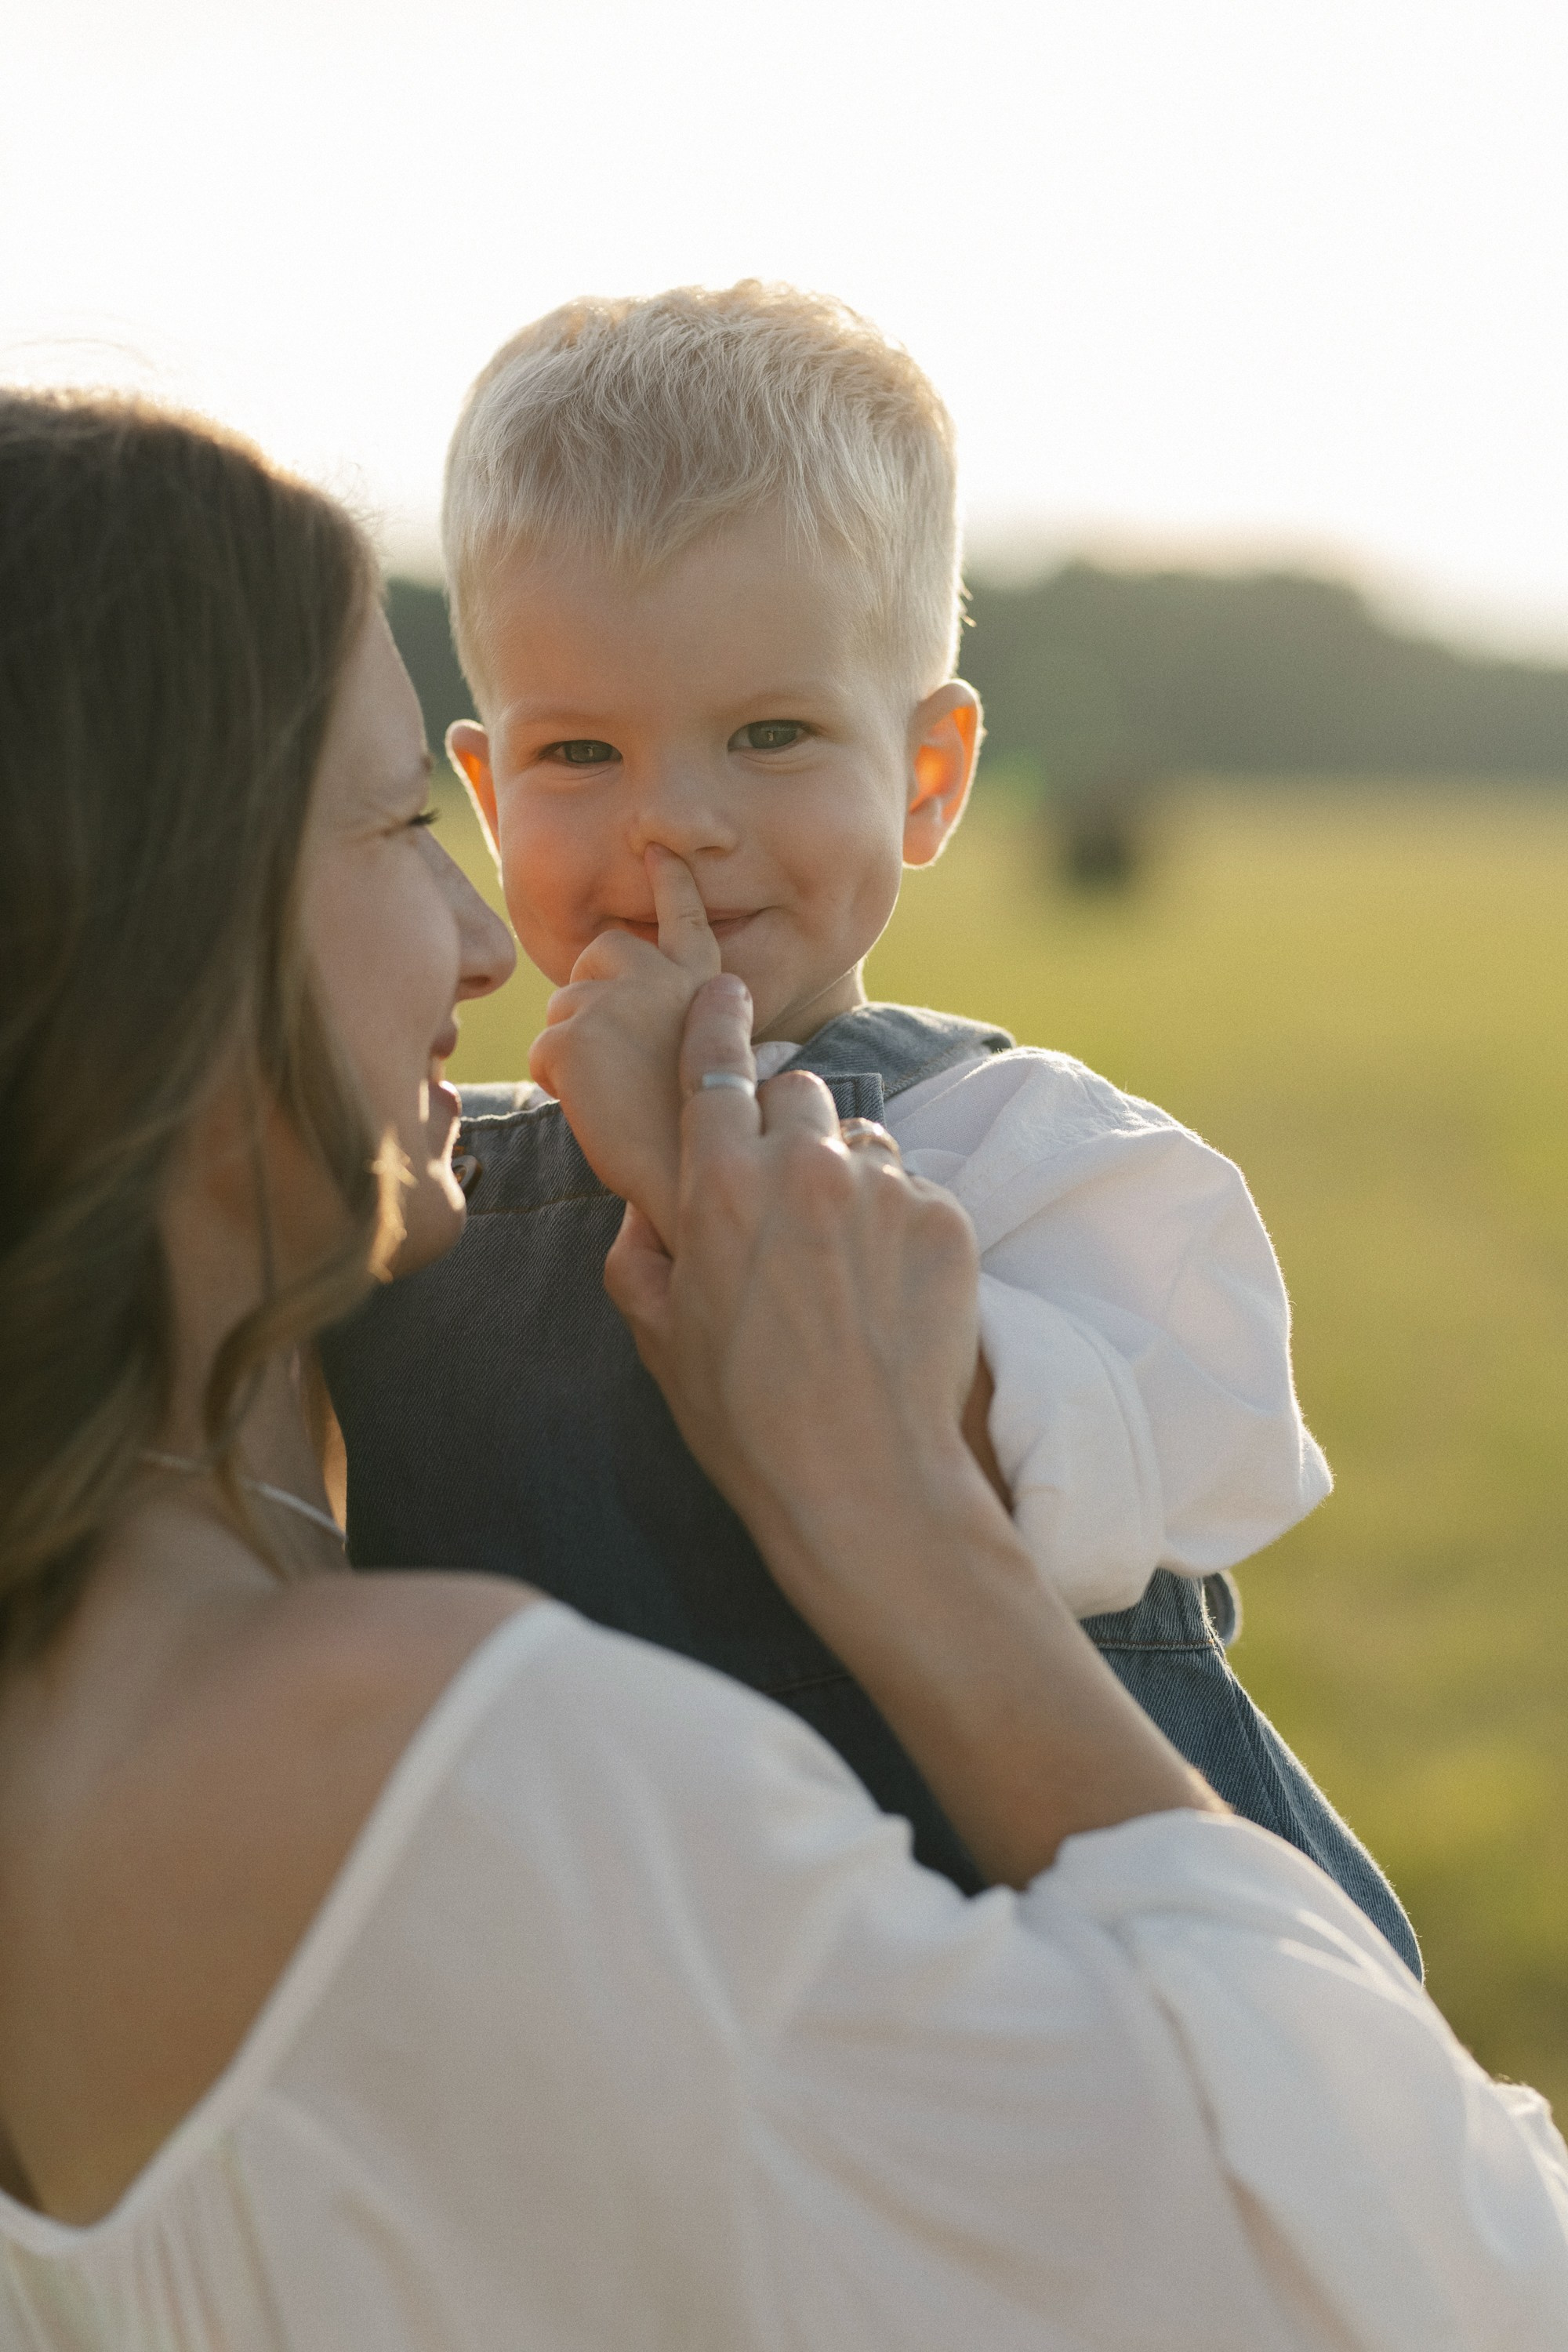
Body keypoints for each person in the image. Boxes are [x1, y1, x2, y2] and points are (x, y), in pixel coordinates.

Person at [1, 390, 1566, 2345]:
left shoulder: (118, 1675)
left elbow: (1216, 1427)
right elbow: (1464, 2287)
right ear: (145, 932)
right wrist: (896, 1516)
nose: (493, 942)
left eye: (765, 734)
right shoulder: (494, 1782)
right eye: (417, 818)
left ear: (924, 775)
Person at [321, 282, 1417, 1964]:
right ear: (484, 791)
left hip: (1045, 1993)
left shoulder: (1027, 1158)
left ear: (926, 776)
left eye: (770, 735)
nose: (674, 823)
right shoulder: (408, 1192)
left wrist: (696, 1158)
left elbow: (1100, 1488)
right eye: (581, 752)